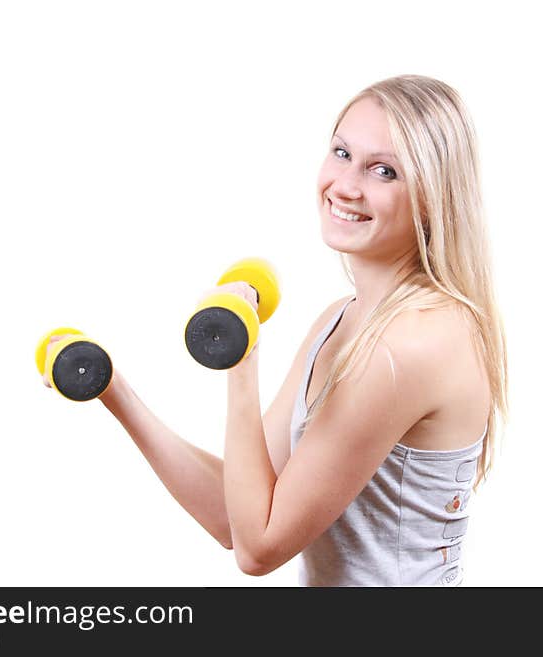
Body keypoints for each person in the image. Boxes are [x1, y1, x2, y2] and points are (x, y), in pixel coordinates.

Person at [43, 74, 508, 586]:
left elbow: (258, 548)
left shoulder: (411, 344)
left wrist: (242, 364)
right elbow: (234, 513)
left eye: (384, 171)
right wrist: (111, 387)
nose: (346, 185)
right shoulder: (343, 318)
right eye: (341, 152)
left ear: (431, 197)